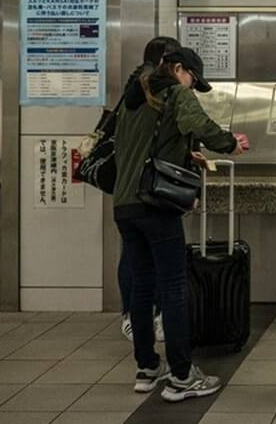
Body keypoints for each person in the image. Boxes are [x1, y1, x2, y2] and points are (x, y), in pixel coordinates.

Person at [113, 47, 249, 402]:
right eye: (191, 78)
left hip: (125, 206)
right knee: (173, 289)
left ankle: (146, 368)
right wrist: (231, 144)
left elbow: (143, 145)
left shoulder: (131, 98)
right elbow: (198, 123)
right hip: (156, 205)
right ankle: (183, 376)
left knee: (142, 288)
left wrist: (185, 152)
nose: (191, 85)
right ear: (177, 69)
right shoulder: (173, 91)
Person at [119, 36, 182, 344]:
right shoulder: (161, 92)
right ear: (164, 62)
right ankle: (180, 368)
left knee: (137, 269)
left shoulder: (130, 93)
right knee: (171, 279)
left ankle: (139, 342)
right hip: (152, 194)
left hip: (124, 196)